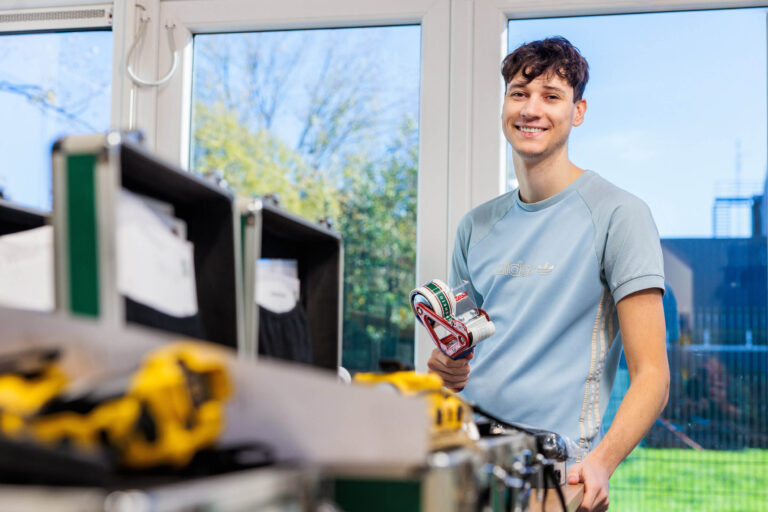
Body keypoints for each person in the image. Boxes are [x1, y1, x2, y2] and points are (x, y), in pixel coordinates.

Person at [427, 37, 670, 512]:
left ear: (577, 112)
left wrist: (601, 462)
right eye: (519, 93)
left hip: (557, 475)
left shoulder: (619, 214)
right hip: (466, 462)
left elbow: (652, 375)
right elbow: (456, 358)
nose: (531, 108)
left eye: (551, 96)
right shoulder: (475, 226)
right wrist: (446, 369)